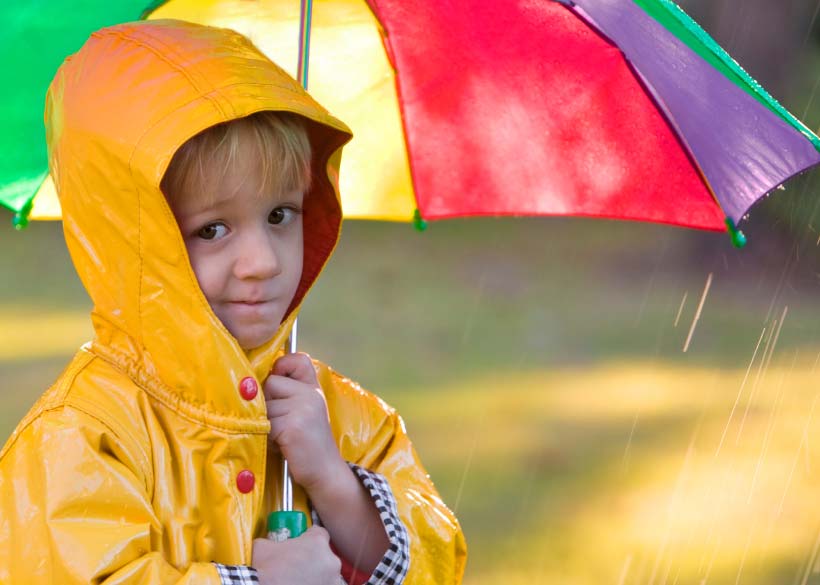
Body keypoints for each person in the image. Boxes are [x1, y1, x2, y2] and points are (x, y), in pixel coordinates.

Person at [0, 19, 466, 585]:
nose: (263, 261)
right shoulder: (81, 437)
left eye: (279, 216)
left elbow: (437, 560)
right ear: (132, 240)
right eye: (213, 229)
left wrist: (333, 483)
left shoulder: (341, 417)